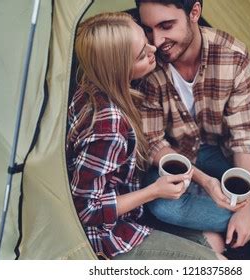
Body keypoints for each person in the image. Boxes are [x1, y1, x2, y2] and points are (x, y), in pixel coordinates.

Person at [135, 0, 250, 259]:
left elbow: (245, 134)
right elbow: (153, 142)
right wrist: (214, 188)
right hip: (178, 156)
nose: (157, 41)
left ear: (195, 12)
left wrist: (241, 207)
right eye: (148, 30)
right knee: (161, 205)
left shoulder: (233, 55)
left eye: (166, 25)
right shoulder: (147, 63)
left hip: (224, 150)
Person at [66, 12, 223, 260]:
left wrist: (202, 179)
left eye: (145, 39)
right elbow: (87, 209)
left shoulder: (92, 86)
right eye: (142, 55)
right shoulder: (108, 127)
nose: (154, 48)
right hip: (105, 235)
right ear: (119, 69)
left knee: (215, 242)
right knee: (215, 263)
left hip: (130, 214)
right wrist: (154, 192)